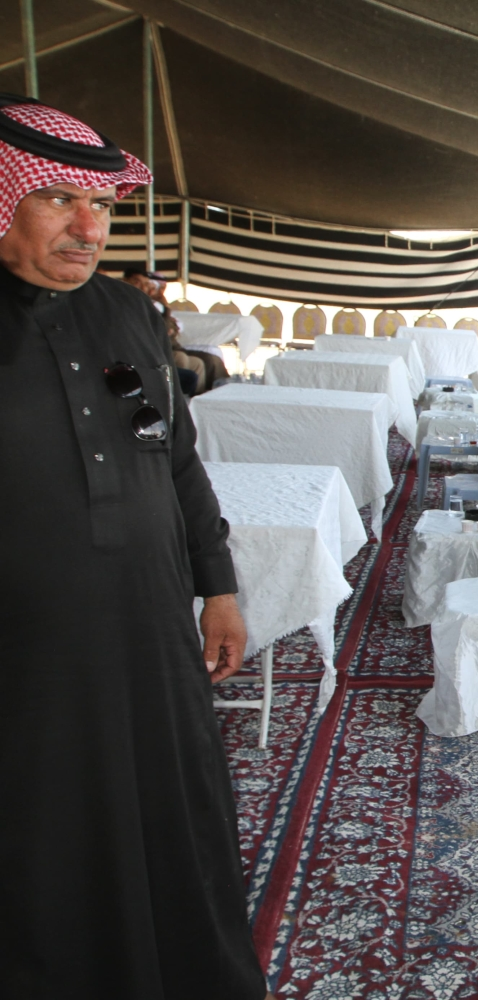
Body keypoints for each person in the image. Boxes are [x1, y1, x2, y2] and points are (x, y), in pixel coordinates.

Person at [0, 95, 267, 998]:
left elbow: (169, 450)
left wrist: (217, 587)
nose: (88, 229)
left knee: (173, 815)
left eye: (102, 205)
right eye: (57, 200)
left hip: (150, 629)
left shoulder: (124, 317)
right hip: (30, 654)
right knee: (48, 836)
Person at [122, 267, 203, 394]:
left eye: (146, 284)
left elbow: (172, 325)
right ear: (125, 280)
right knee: (184, 367)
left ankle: (194, 401)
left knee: (197, 364)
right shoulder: (124, 304)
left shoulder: (150, 303)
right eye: (137, 282)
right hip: (140, 357)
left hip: (158, 350)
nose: (143, 287)